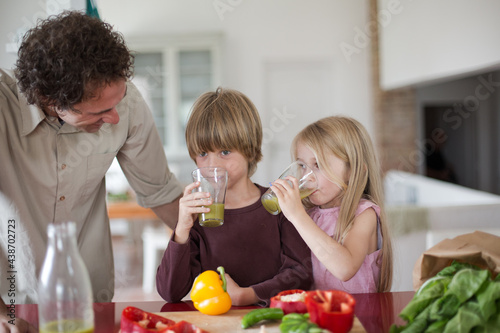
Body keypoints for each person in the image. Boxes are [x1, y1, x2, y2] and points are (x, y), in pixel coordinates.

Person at [0, 11, 183, 331]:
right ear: (50, 99)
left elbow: (162, 194)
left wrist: (219, 254)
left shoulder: (126, 105)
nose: (115, 117)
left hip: (87, 296)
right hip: (10, 295)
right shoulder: (4, 108)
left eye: (119, 102)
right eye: (100, 111)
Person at [156, 87, 312, 306]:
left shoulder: (279, 204)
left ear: (249, 150)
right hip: (216, 323)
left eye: (225, 152)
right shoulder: (199, 215)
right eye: (202, 154)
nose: (212, 165)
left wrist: (249, 294)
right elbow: (170, 292)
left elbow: (301, 273)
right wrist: (181, 230)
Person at [270, 116, 393, 293]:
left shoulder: (364, 214)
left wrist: (297, 216)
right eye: (303, 166)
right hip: (319, 315)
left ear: (352, 171)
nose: (308, 176)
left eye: (318, 165)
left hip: (358, 317)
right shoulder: (310, 214)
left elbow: (345, 269)